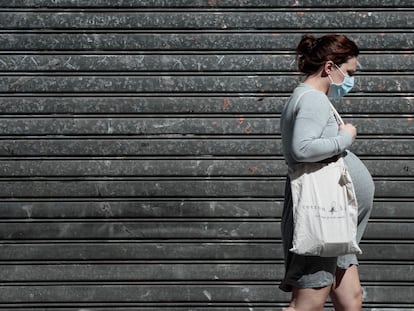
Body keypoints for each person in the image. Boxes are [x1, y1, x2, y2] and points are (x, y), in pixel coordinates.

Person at [279, 34, 375, 311]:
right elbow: (303, 149)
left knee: (351, 298)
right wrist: (346, 138)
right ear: (329, 67)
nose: (350, 81)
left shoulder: (312, 98)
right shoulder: (312, 99)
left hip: (337, 220)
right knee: (307, 303)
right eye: (349, 73)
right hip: (323, 217)